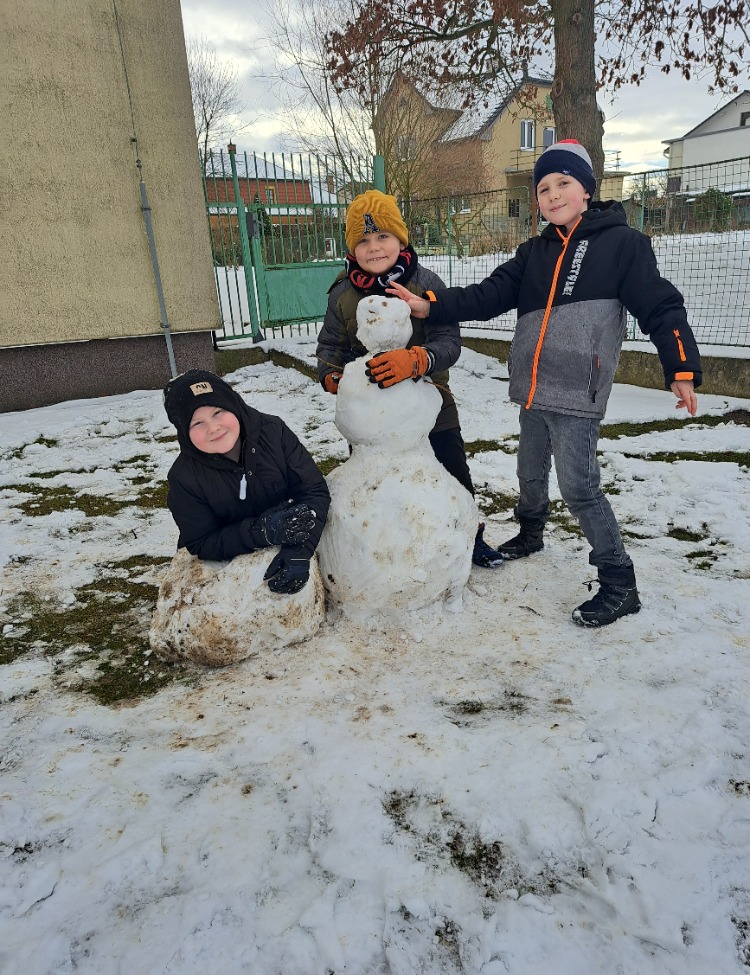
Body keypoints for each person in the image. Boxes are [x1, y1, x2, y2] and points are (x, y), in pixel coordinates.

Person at [387, 140, 702, 627]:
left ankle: (620, 582)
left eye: (563, 183)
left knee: (580, 488)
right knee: (529, 471)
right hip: (533, 388)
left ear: (586, 190)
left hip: (578, 392)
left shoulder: (623, 245)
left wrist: (680, 367)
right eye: (543, 188)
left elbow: (661, 306)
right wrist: (431, 306)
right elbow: (488, 294)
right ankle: (531, 532)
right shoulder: (534, 252)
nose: (552, 195)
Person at [317, 189, 503, 568]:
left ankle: (470, 535)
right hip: (372, 413)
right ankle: (382, 544)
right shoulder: (342, 294)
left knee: (452, 470)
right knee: (372, 479)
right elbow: (330, 347)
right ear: (352, 249)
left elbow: (449, 342)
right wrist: (334, 377)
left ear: (401, 239)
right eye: (363, 241)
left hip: (432, 403)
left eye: (383, 236)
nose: (374, 247)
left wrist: (419, 359)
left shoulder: (426, 282)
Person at [163, 369, 331, 595]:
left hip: (289, 537)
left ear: (233, 405)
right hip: (226, 568)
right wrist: (261, 532)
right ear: (184, 432)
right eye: (197, 423)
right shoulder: (185, 477)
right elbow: (202, 541)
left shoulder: (274, 433)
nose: (213, 428)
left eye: (217, 412)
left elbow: (313, 491)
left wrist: (301, 550)